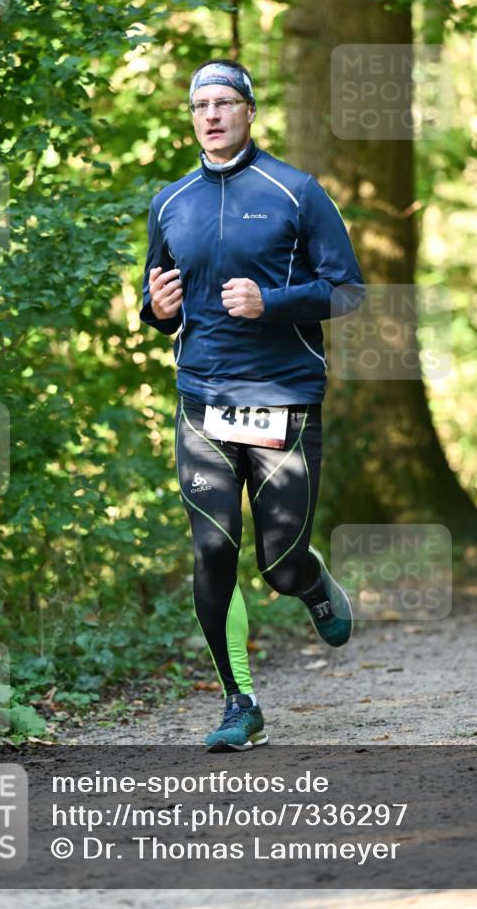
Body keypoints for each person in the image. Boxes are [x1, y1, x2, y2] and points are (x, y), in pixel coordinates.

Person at [139, 59, 365, 752]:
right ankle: (241, 702)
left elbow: (347, 290)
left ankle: (309, 579)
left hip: (283, 399)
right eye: (199, 105)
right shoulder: (170, 202)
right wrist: (154, 309)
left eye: (224, 103)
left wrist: (273, 303)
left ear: (248, 112)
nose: (210, 115)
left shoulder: (296, 192)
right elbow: (153, 301)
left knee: (277, 560)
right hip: (201, 398)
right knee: (212, 551)